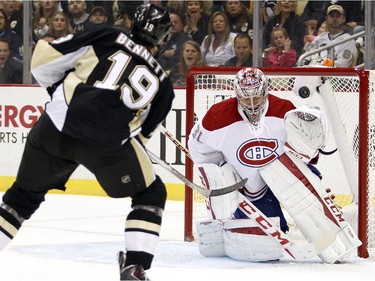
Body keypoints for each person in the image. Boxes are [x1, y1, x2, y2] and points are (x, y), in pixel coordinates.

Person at [0, 3, 174, 281]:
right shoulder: (164, 86)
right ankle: (135, 267)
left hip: (55, 127)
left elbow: (42, 62)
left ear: (133, 23)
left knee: (20, 200)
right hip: (106, 146)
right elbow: (139, 139)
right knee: (150, 195)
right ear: (164, 38)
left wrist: (59, 89)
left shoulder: (107, 36)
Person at [187, 67, 360, 263]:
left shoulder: (284, 109)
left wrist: (310, 152)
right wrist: (220, 171)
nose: (252, 105)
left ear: (265, 91)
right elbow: (197, 146)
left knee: (310, 200)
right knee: (265, 248)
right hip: (252, 188)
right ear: (236, 95)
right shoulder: (217, 117)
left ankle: (335, 241)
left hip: (288, 177)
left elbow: (305, 149)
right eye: (245, 99)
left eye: (257, 98)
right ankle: (273, 223)